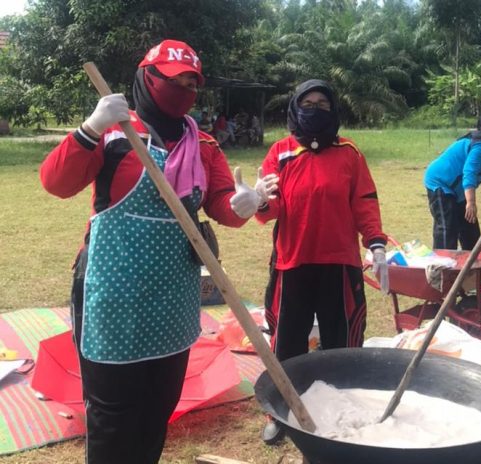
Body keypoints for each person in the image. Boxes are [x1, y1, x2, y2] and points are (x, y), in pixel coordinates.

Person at [39, 39, 277, 464]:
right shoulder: (116, 133)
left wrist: (247, 202)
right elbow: (56, 183)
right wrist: (89, 129)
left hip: (173, 300)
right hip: (113, 299)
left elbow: (223, 204)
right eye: (173, 79)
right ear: (147, 79)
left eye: (191, 82)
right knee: (113, 417)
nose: (183, 88)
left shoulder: (202, 145)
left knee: (156, 410)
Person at [255, 79, 388, 445]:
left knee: (343, 342)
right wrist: (258, 199)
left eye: (323, 104)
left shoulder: (349, 153)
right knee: (287, 342)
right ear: (295, 108)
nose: (315, 109)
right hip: (291, 264)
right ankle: (282, 413)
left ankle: (347, 408)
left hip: (339, 265)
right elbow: (270, 209)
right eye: (308, 102)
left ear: (334, 111)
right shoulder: (280, 153)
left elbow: (364, 202)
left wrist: (376, 245)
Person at [424, 112, 481, 250]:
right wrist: (471, 202)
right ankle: (442, 265)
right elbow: (469, 172)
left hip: (459, 190)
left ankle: (472, 262)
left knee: (469, 226)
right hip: (441, 183)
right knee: (448, 226)